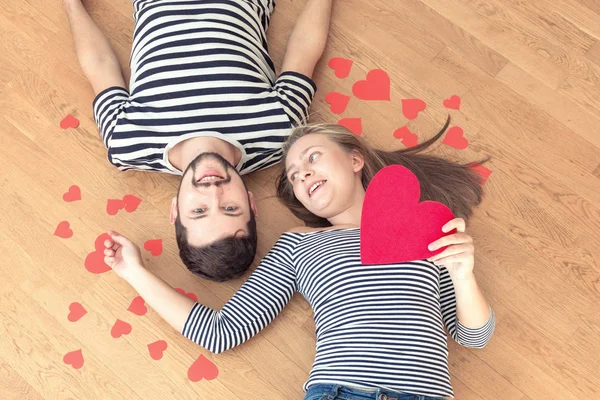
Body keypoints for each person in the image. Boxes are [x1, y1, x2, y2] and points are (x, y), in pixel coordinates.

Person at [102, 120, 495, 399]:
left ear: (355, 160)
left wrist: (463, 275)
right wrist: (134, 272)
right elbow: (220, 332)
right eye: (293, 175)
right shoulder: (298, 246)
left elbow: (474, 337)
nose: (303, 175)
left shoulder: (425, 230)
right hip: (341, 392)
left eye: (312, 158)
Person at [63, 0, 333, 281]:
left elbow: (99, 65)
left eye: (199, 210)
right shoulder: (280, 133)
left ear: (175, 210)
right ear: (251, 204)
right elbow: (304, 50)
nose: (213, 191)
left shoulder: (127, 142)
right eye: (230, 208)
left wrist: (71, 5)